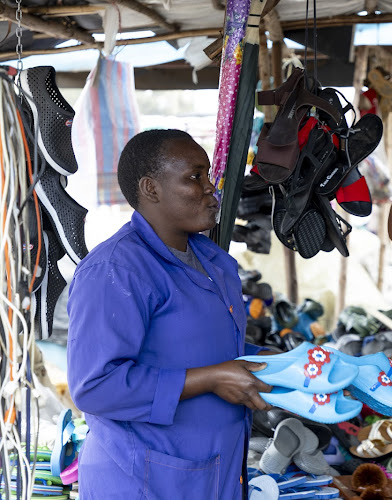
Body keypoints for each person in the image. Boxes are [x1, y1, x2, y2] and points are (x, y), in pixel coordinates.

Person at [67, 129, 273, 499]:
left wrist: (276, 364)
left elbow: (206, 352)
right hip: (143, 480)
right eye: (195, 177)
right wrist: (210, 379)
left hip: (213, 472)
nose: (211, 188)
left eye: (208, 175)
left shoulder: (215, 262)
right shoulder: (116, 270)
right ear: (151, 189)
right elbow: (95, 386)